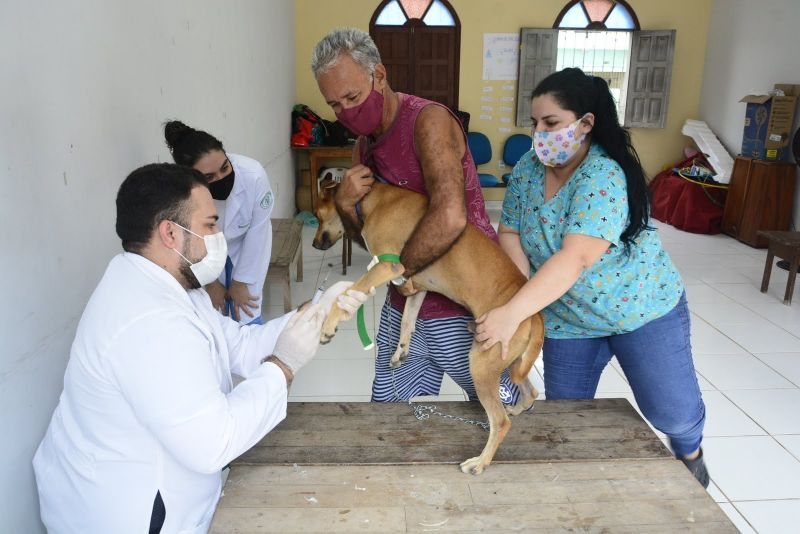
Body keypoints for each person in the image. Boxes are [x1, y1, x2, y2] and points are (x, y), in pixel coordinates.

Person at [33, 164, 369, 533]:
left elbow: (237, 343)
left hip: (154, 484)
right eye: (210, 225)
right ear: (171, 233)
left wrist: (318, 312)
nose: (219, 235)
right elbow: (213, 443)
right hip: (128, 513)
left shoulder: (167, 283)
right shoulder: (148, 323)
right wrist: (283, 366)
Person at [474, 68, 710, 487]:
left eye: (551, 124)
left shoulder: (602, 175)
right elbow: (509, 229)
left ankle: (691, 452)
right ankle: (578, 487)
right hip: (569, 319)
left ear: (585, 124)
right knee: (569, 415)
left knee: (670, 411)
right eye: (534, 123)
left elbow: (576, 257)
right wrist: (519, 286)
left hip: (639, 309)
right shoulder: (529, 169)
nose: (539, 134)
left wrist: (512, 313)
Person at [311, 27, 523, 405]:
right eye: (335, 105)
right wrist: (344, 204)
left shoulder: (428, 122)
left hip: (464, 301)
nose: (345, 112)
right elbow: (373, 246)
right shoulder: (364, 147)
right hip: (404, 302)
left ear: (379, 75)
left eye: (352, 97)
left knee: (501, 404)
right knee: (391, 413)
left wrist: (400, 270)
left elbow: (451, 216)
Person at [165, 120, 273, 325]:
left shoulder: (254, 176)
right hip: (202, 251)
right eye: (209, 177)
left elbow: (258, 233)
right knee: (212, 316)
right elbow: (187, 242)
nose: (222, 177)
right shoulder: (181, 193)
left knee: (246, 312)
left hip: (245, 246)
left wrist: (241, 282)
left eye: (225, 167)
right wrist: (210, 282)